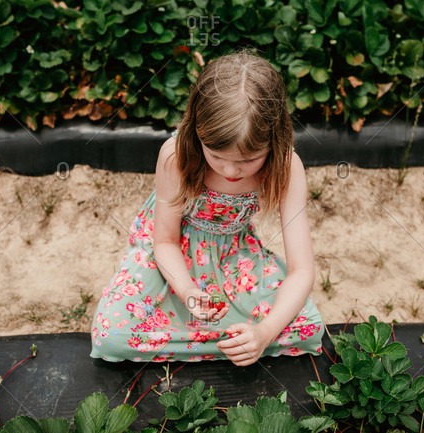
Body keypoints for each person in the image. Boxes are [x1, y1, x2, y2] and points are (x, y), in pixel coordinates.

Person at [90, 49, 325, 366]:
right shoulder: (176, 156)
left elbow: (302, 269)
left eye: (248, 160)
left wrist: (266, 332)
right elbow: (164, 241)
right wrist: (187, 292)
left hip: (233, 256)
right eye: (216, 155)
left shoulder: (286, 165)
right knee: (112, 337)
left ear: (276, 138)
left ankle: (227, 339)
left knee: (309, 328)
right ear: (196, 133)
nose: (231, 172)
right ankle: (224, 340)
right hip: (171, 259)